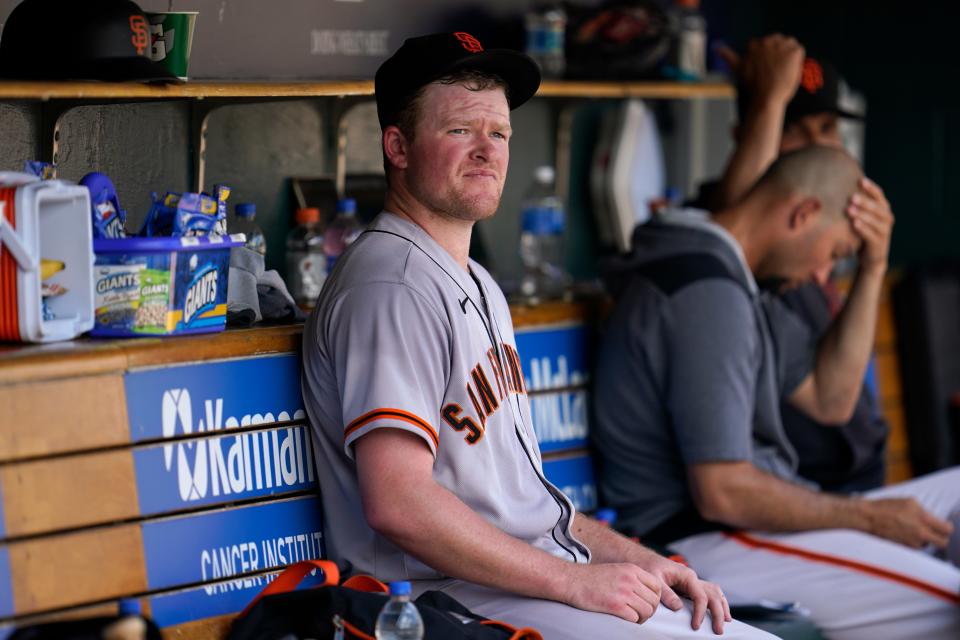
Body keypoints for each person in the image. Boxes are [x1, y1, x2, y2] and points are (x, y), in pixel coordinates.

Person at [302, 31, 775, 640]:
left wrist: (643, 562)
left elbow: (535, 511)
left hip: (517, 585)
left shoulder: (472, 279)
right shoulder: (392, 285)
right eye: (459, 130)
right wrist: (574, 581)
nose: (486, 151)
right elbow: (398, 503)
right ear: (397, 145)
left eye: (497, 133)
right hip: (436, 602)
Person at [593, 145, 960, 639]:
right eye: (835, 255)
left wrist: (873, 267)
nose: (823, 276)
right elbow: (722, 491)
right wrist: (867, 517)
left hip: (756, 526)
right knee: (950, 604)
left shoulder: (741, 281)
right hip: (701, 539)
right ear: (803, 213)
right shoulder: (706, 291)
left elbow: (832, 401)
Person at [692, 34, 889, 492]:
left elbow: (838, 401)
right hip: (802, 489)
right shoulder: (716, 233)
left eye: (827, 128)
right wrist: (769, 100)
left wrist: (872, 265)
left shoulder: (821, 227)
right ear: (750, 135)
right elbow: (741, 227)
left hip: (863, 473)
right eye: (796, 128)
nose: (820, 145)